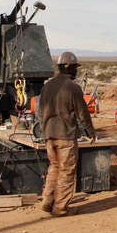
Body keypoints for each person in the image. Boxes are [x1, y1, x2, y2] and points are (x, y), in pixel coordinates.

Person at [38, 51, 96, 217]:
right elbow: (83, 114)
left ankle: (47, 201)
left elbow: (41, 113)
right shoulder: (73, 88)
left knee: (54, 168)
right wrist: (91, 132)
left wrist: (44, 131)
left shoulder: (47, 86)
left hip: (49, 135)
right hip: (66, 137)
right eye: (75, 68)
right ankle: (61, 208)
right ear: (69, 68)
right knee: (66, 171)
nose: (76, 72)